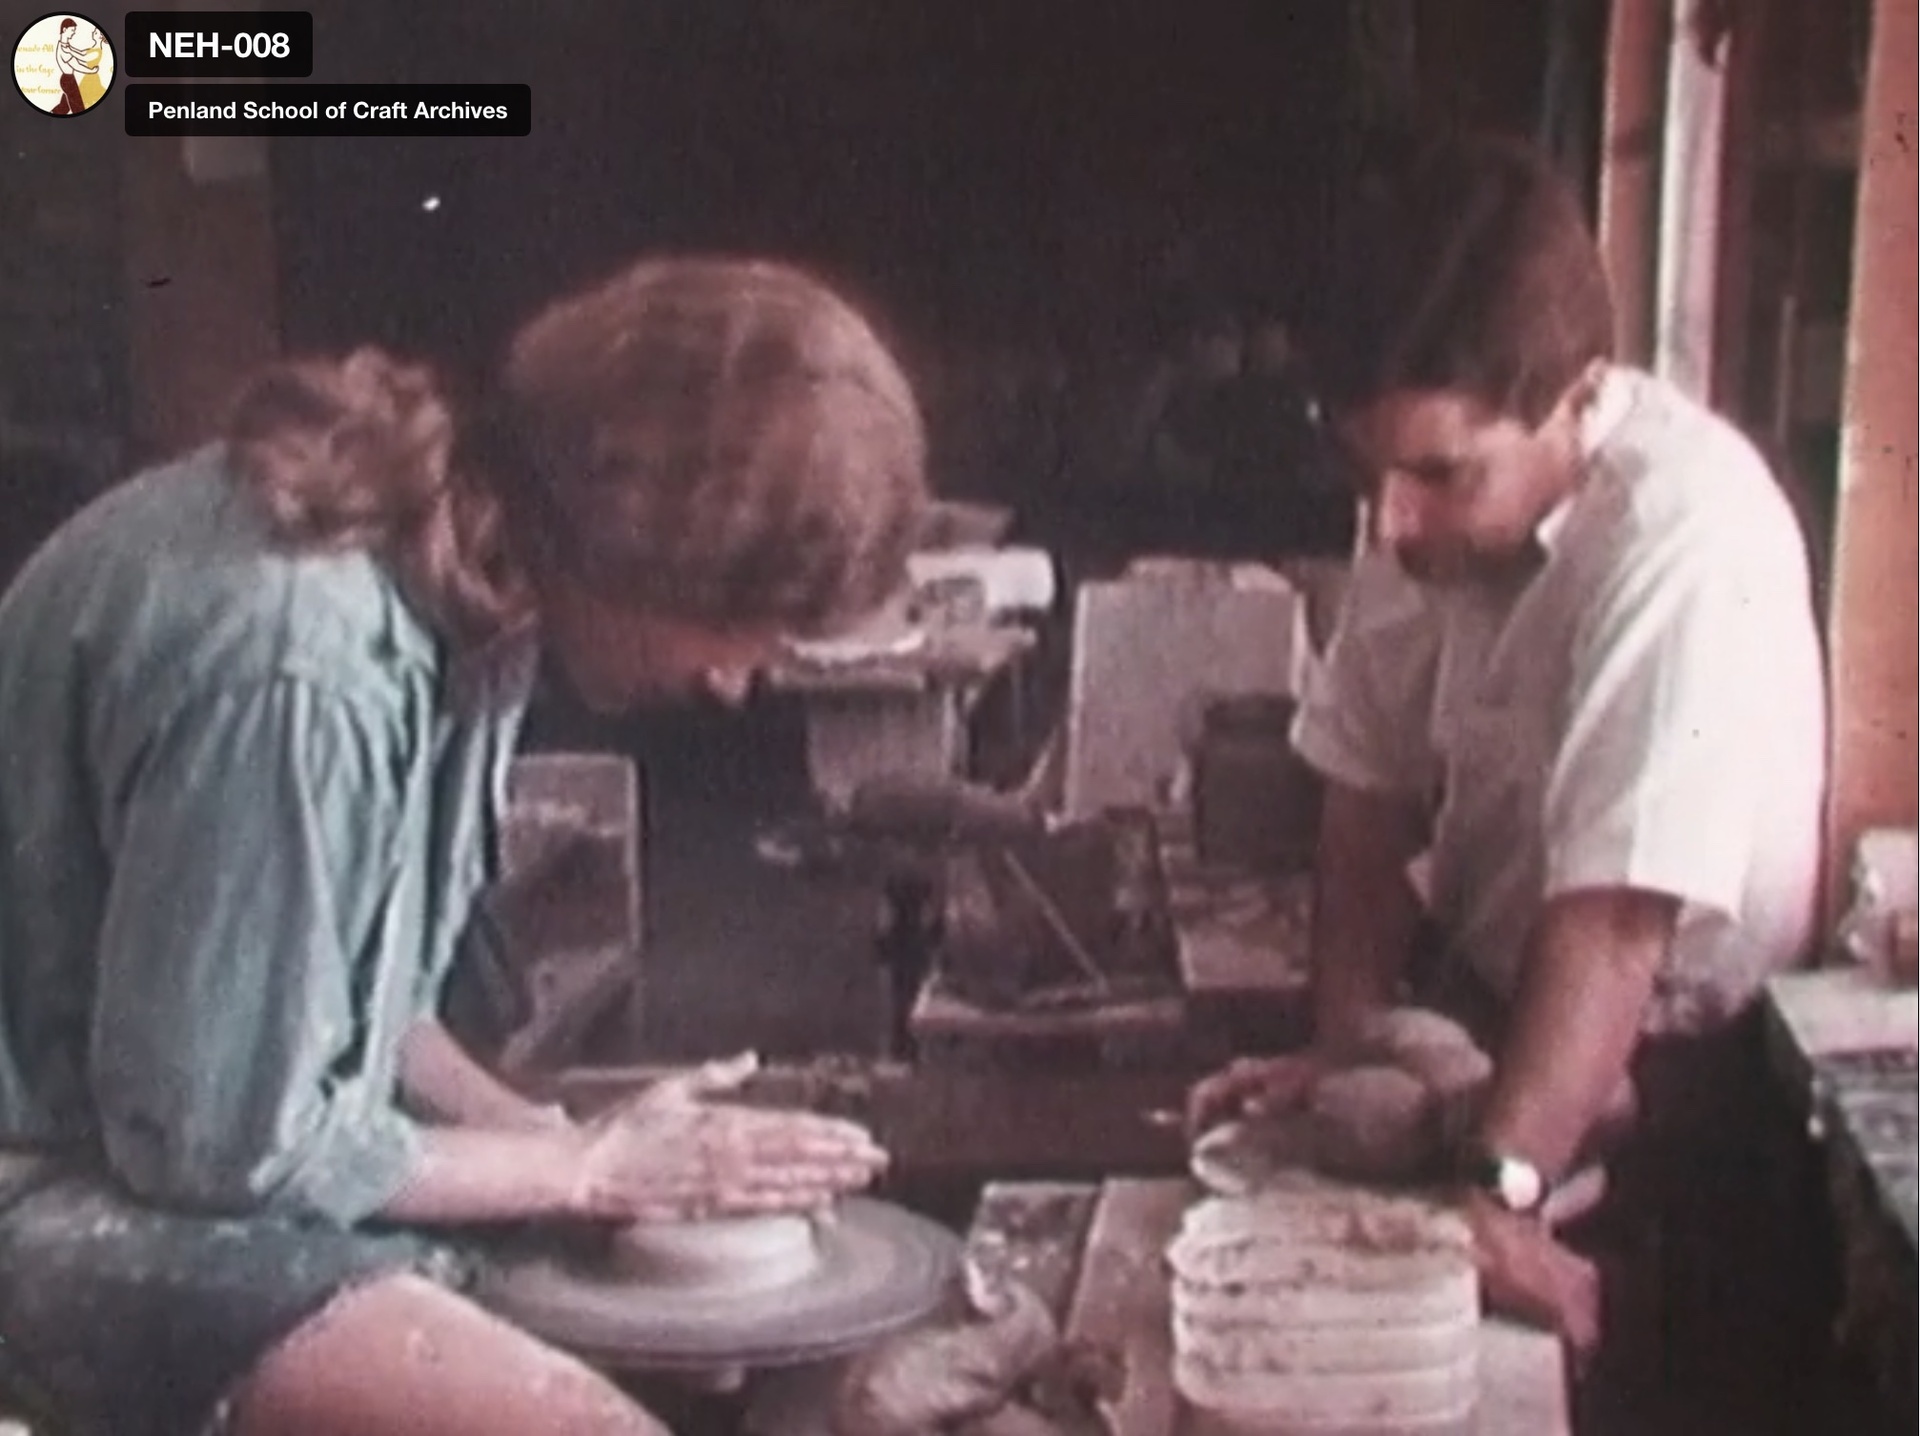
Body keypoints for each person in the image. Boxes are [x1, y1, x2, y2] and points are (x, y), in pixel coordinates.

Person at [0, 257, 927, 1436]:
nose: (739, 681)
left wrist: (539, 1138)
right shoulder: (307, 666)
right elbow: (216, 1146)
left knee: (712, 1352)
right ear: (640, 542)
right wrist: (588, 1171)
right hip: (48, 1175)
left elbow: (354, 1009)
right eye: (746, 624)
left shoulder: (472, 592)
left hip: (149, 1148)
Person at [1187, 136, 1826, 1409]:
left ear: (1580, 398)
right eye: (1368, 473)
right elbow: (1362, 806)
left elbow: (1612, 929)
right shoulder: (1414, 508)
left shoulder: (1683, 538)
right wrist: (1360, 1058)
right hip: (1491, 1034)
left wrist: (1495, 1192)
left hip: (1681, 1093)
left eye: (1437, 473)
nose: (1391, 522)